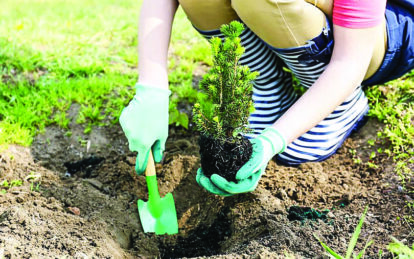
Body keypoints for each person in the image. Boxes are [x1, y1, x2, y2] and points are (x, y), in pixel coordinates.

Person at [120, 0, 414, 196]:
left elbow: (350, 62)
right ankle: (267, 88)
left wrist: (274, 139)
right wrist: (152, 87)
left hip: (377, 37)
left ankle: (341, 106)